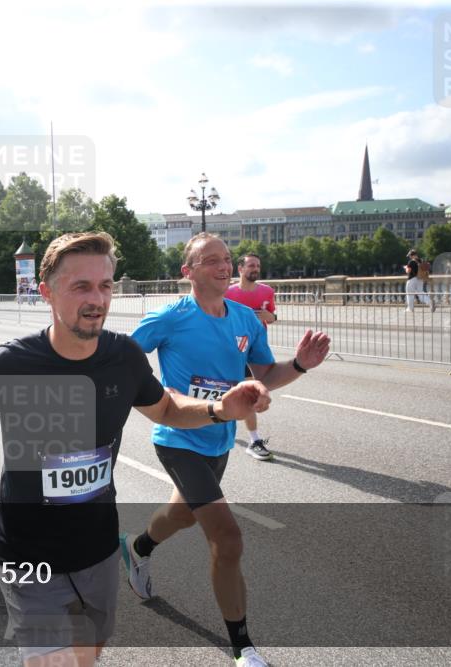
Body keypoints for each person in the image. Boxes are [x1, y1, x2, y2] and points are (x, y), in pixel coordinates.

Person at [0, 232, 269, 667]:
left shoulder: (123, 357)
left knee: (88, 655)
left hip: (98, 553)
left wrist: (219, 409)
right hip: (29, 559)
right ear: (47, 292)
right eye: (81, 286)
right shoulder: (14, 363)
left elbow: (165, 408)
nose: (97, 299)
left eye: (104, 286)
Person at [123, 233, 330, 667]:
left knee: (182, 515)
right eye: (212, 260)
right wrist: (156, 394)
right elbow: (124, 358)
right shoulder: (170, 317)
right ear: (188, 272)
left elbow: (264, 374)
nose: (224, 266)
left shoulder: (245, 319)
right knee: (227, 537)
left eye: (228, 259)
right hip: (178, 438)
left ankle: (138, 548)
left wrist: (298, 366)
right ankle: (243, 648)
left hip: (219, 439)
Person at [224, 253, 277, 461]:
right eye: (251, 265)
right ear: (240, 269)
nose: (255, 269)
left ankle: (253, 440)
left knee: (249, 394)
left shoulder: (267, 291)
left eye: (258, 266)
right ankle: (252, 439)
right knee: (232, 391)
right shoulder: (228, 292)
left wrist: (270, 317)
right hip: (231, 349)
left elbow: (272, 316)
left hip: (255, 351)